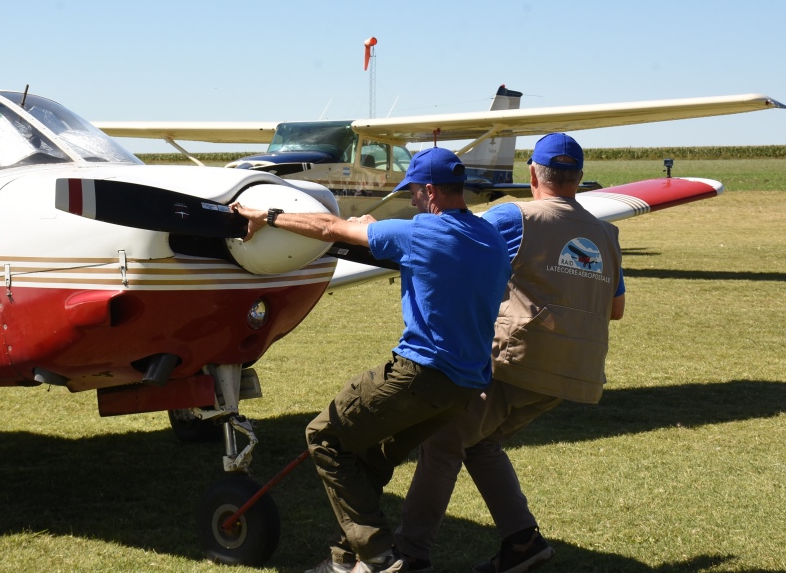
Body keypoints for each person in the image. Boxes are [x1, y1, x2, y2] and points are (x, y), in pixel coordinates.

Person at [231, 148, 511, 573]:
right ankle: (345, 562)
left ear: (431, 191)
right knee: (368, 458)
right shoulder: (489, 237)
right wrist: (378, 230)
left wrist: (264, 217)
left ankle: (379, 555)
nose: (414, 201)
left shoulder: (420, 234)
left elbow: (328, 228)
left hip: (420, 372)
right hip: (465, 387)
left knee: (324, 436)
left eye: (415, 193)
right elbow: (444, 257)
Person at [393, 133, 626, 573]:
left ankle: (411, 555)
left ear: (533, 174)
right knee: (480, 441)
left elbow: (455, 242)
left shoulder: (514, 215)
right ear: (578, 178)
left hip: (515, 361)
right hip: (578, 373)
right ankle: (522, 544)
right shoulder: (606, 233)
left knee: (442, 441)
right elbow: (615, 310)